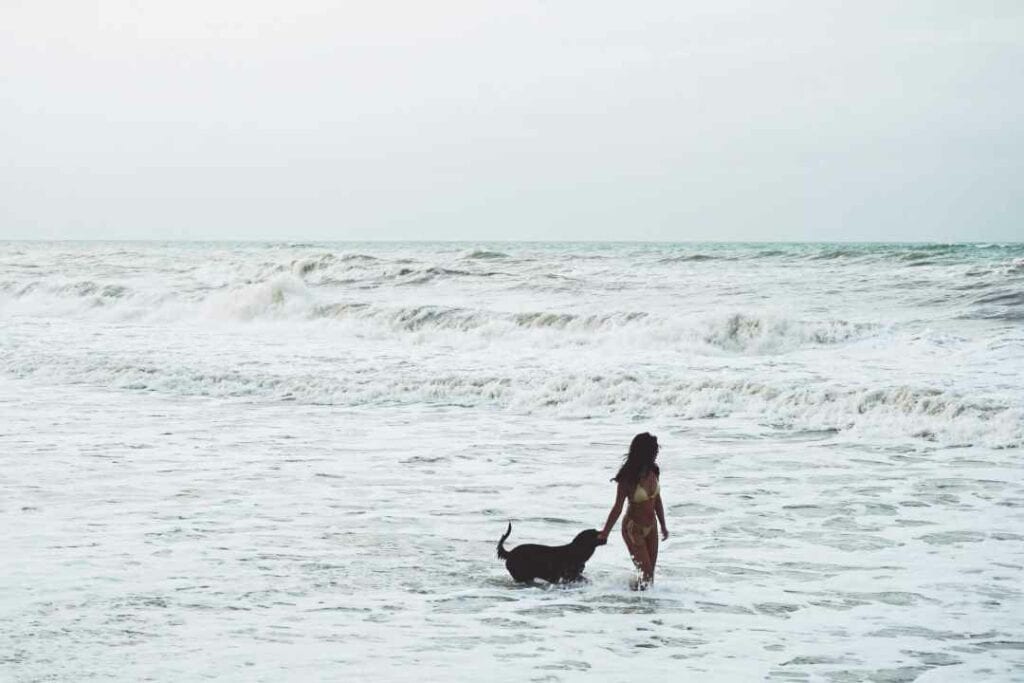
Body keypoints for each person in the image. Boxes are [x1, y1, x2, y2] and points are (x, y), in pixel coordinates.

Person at [597, 432, 668, 589]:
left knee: (649, 577)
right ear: (645, 452)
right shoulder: (627, 478)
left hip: (652, 527)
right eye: (654, 450)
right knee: (647, 574)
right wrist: (605, 533)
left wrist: (663, 525)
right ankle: (633, 600)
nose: (657, 453)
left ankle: (639, 603)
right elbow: (617, 508)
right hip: (633, 529)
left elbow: (657, 499)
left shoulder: (654, 471)